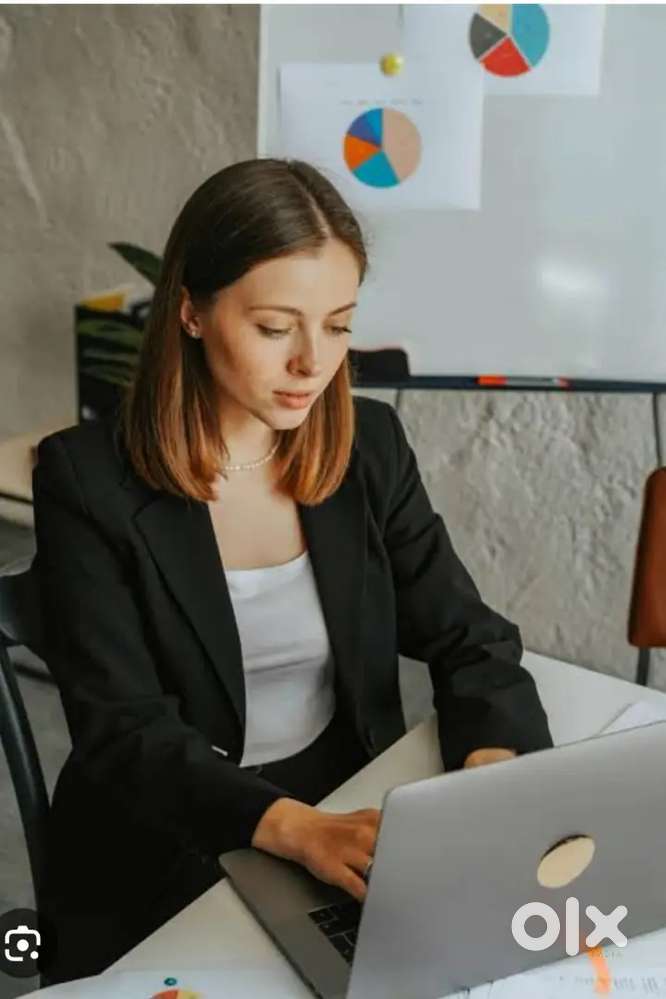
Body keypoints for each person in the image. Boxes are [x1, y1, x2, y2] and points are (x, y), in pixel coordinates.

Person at [32, 157, 553, 985]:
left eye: (339, 325)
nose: (315, 361)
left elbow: (470, 637)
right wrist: (292, 827)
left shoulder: (369, 447)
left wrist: (492, 765)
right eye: (277, 328)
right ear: (192, 312)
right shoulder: (84, 478)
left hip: (339, 795)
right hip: (160, 836)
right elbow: (124, 731)